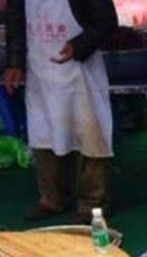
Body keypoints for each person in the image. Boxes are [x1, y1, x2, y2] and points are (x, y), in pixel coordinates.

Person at [3, 0, 117, 223]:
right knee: (43, 134)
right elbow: (15, 22)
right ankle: (51, 199)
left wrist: (79, 45)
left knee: (90, 135)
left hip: (80, 70)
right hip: (40, 68)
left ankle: (93, 203)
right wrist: (14, 62)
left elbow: (106, 22)